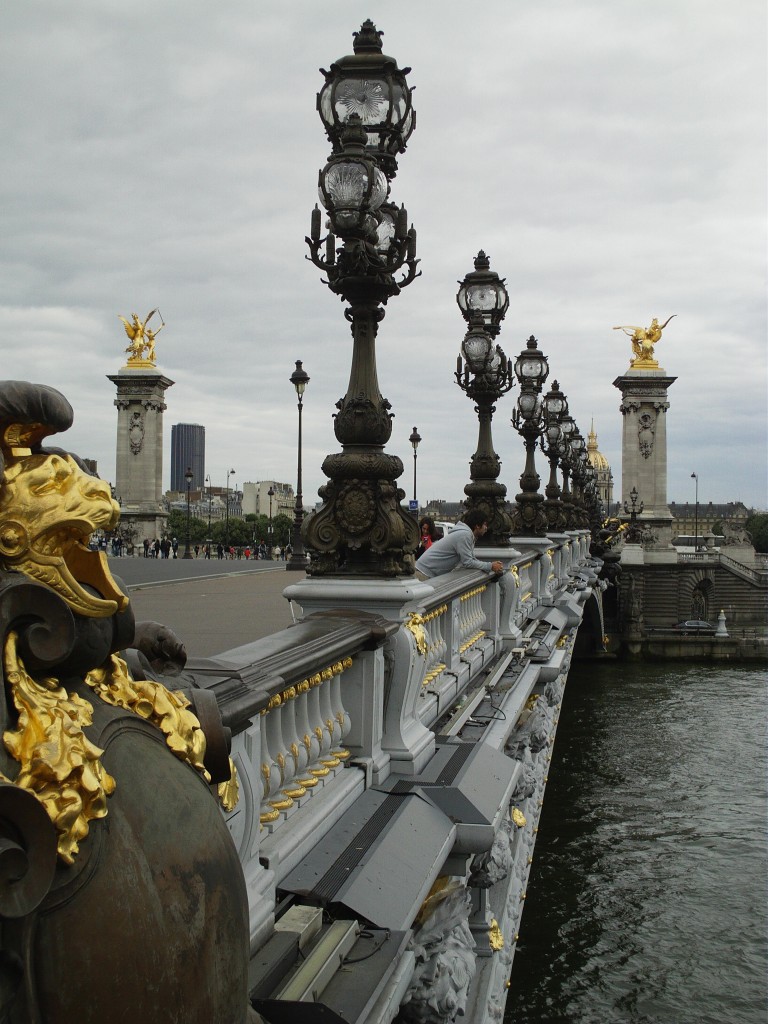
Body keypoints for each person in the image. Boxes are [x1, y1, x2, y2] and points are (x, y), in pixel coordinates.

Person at [415, 509, 504, 580]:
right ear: (477, 525)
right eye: (485, 525)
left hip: (426, 571)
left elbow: (470, 559)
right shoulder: (465, 535)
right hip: (423, 573)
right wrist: (490, 566)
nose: (486, 528)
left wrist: (490, 565)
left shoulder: (466, 535)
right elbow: (468, 562)